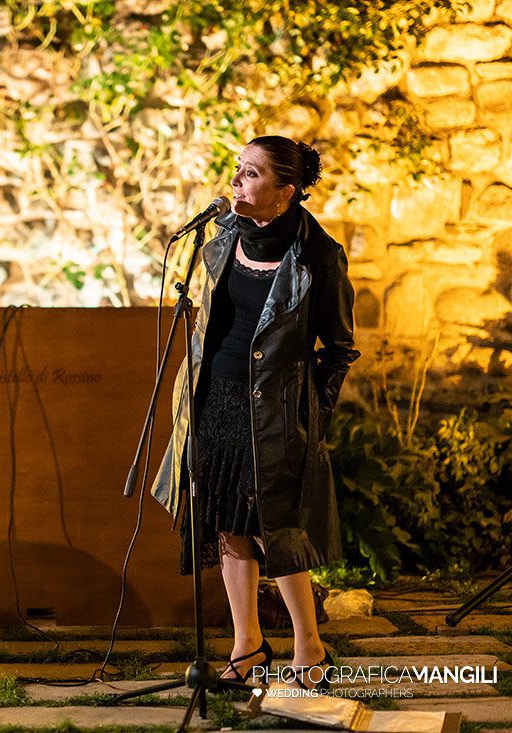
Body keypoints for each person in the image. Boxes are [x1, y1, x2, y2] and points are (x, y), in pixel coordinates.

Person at [152, 136, 360, 691]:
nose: (237, 180)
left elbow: (340, 349)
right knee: (226, 523)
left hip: (274, 412)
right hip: (213, 399)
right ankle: (248, 644)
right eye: (238, 169)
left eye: (252, 173)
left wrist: (312, 412)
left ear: (286, 191)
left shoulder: (318, 255)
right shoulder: (220, 240)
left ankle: (308, 644)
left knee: (277, 528)